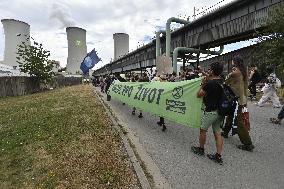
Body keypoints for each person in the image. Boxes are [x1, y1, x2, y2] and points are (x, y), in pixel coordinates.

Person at [191, 61, 224, 165]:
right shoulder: (221, 80)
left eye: (210, 69)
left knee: (203, 130)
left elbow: (199, 94)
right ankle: (218, 156)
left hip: (210, 111)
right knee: (217, 133)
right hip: (220, 111)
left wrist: (202, 84)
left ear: (213, 70)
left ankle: (201, 149)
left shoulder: (209, 84)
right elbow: (212, 78)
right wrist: (203, 73)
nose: (208, 71)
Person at [221, 56, 255, 152]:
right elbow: (245, 86)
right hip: (242, 98)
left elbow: (225, 82)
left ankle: (248, 144)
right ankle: (225, 131)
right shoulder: (243, 71)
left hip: (236, 99)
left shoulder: (235, 73)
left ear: (234, 62)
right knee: (231, 114)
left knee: (238, 121)